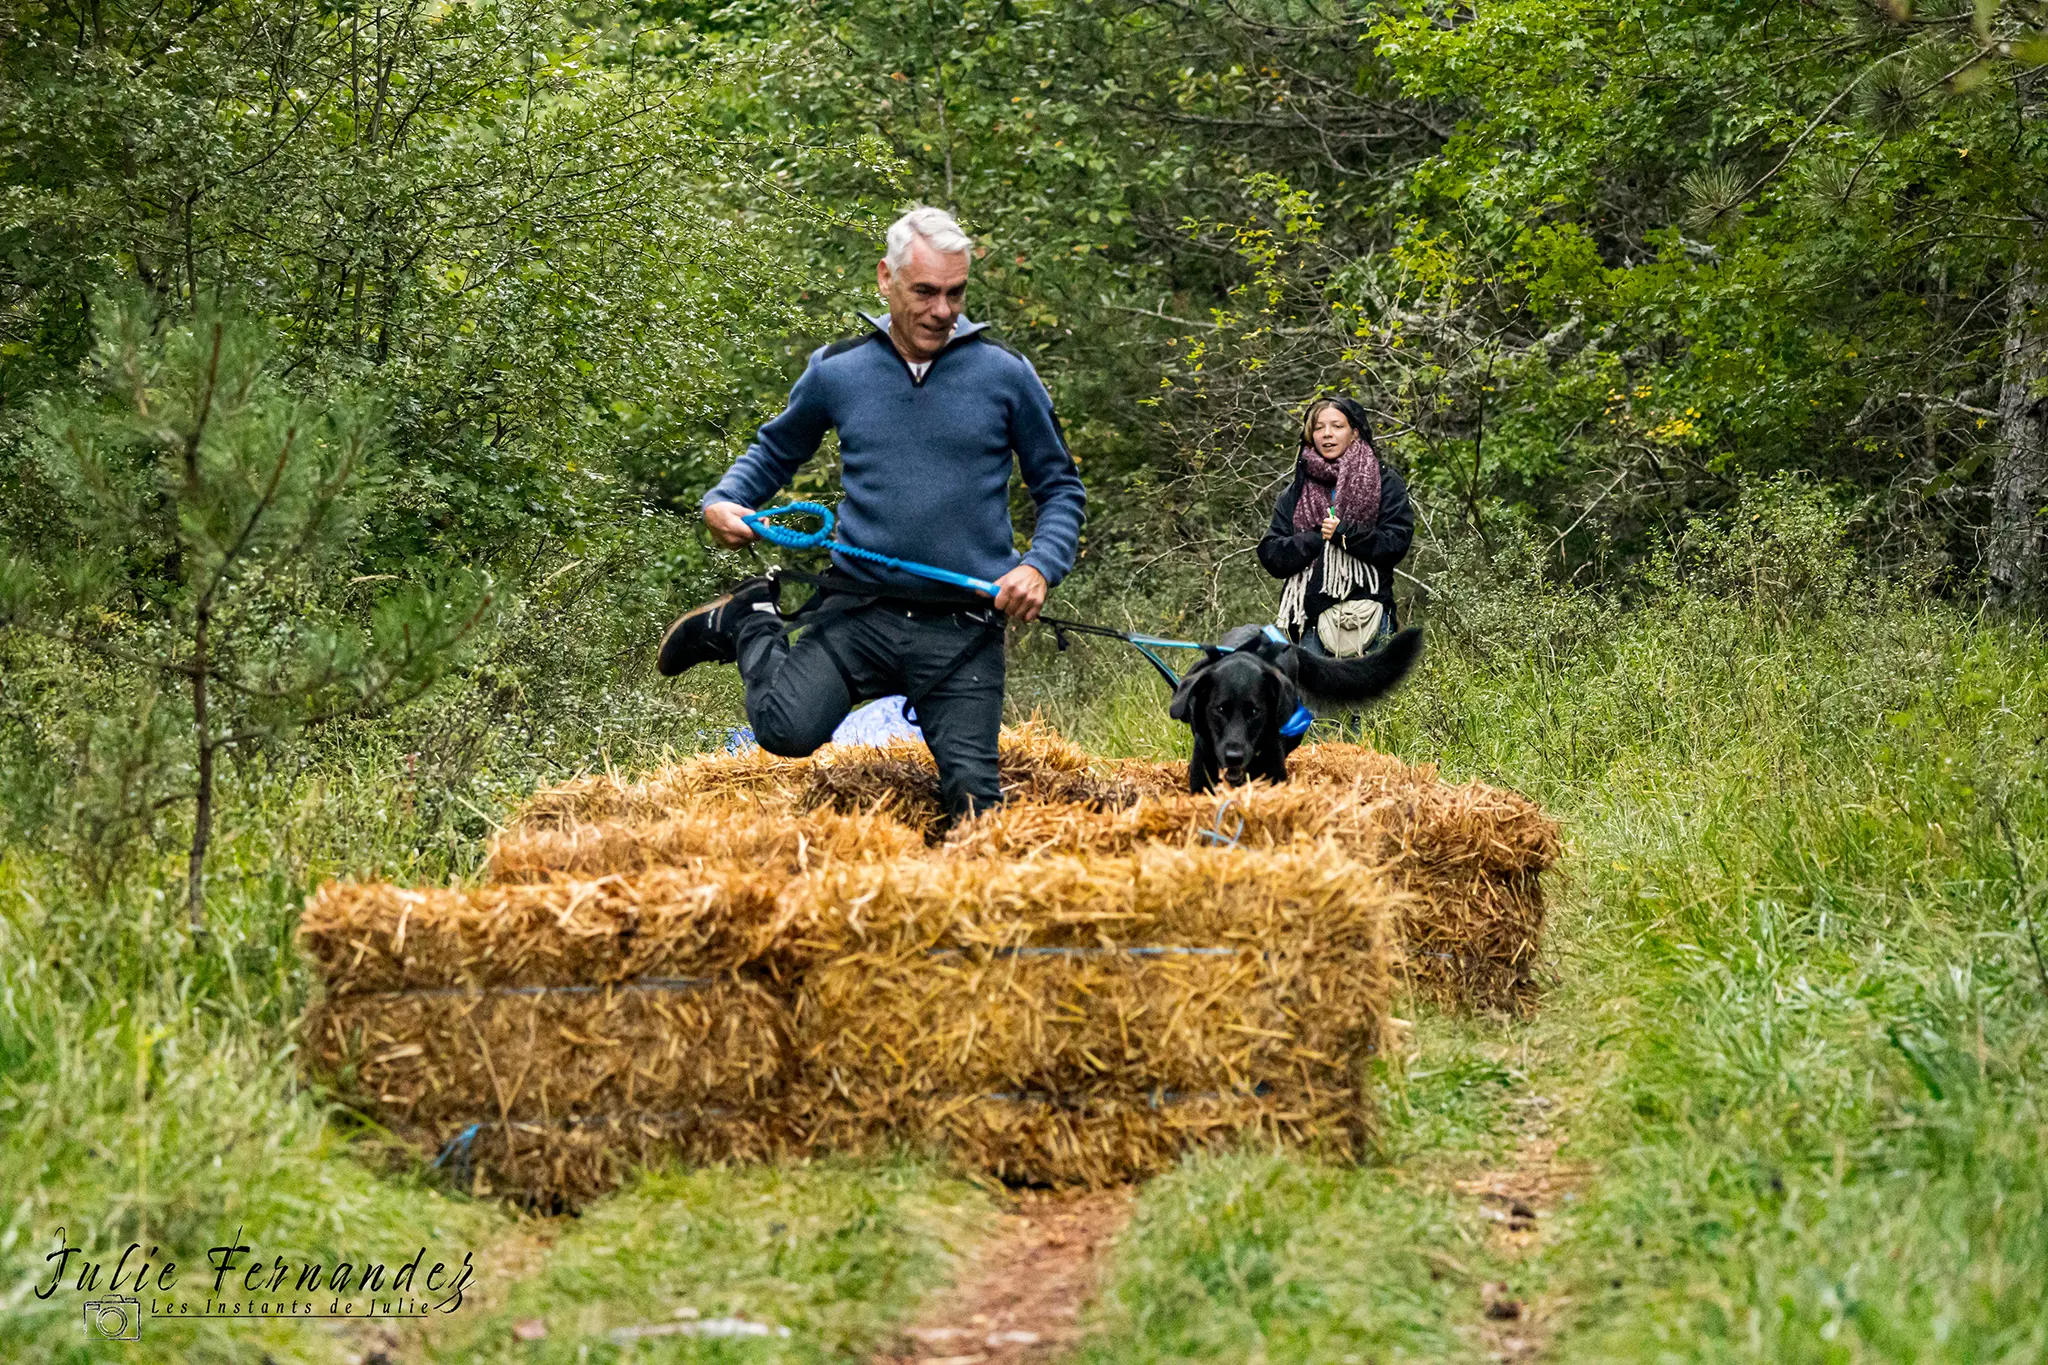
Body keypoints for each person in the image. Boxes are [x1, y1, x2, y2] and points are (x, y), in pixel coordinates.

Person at [657, 206, 1086, 821]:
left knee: (977, 811)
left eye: (956, 292)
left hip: (961, 627)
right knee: (786, 731)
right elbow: (775, 450)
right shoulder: (839, 371)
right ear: (886, 279)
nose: (944, 310)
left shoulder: (1006, 375)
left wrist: (1040, 568)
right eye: (926, 292)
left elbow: (1061, 488)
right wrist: (726, 499)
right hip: (858, 611)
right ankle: (748, 618)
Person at [1257, 396, 1413, 660]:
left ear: (1354, 432)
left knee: (1370, 700)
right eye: (1318, 427)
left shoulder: (1385, 482)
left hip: (1368, 617)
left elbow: (1395, 543)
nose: (1327, 434)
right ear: (1310, 435)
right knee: (1312, 701)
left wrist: (1346, 534)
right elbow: (1272, 555)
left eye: (1337, 426)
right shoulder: (1294, 492)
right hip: (1308, 622)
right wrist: (1315, 539)